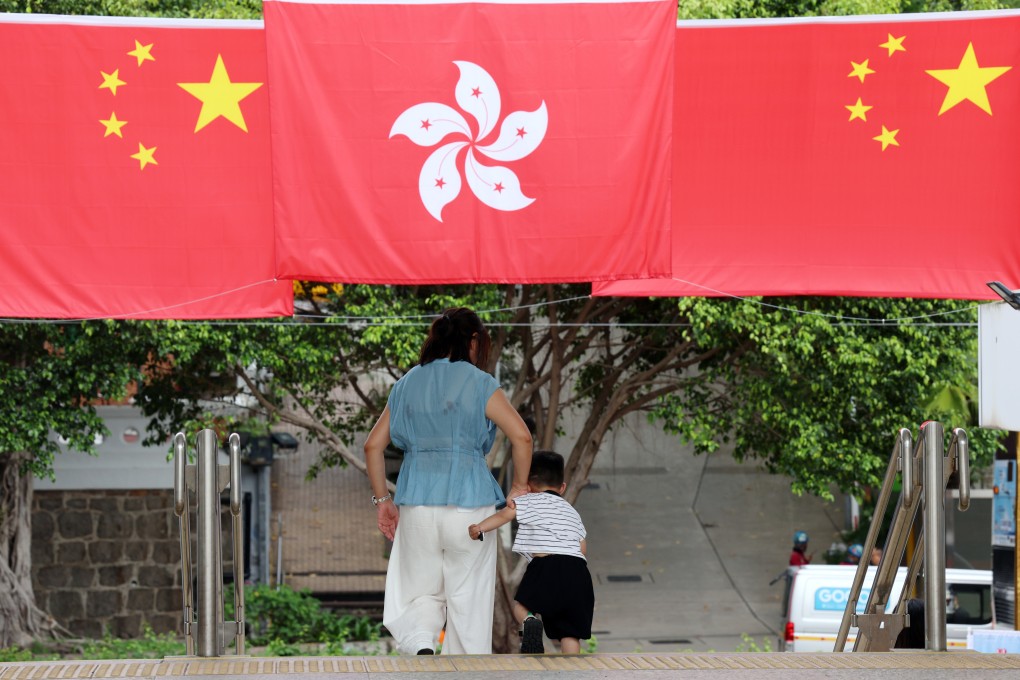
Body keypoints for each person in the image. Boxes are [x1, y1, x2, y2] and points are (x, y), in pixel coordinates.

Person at [364, 307, 533, 655]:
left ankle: (422, 640)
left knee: (421, 590)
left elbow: (372, 446)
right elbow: (522, 437)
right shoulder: (480, 382)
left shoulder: (407, 383)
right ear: (473, 340)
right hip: (472, 509)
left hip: (417, 506)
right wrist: (518, 488)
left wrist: (384, 502)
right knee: (468, 601)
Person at [468, 451, 594, 655]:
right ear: (562, 487)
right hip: (578, 573)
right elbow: (582, 548)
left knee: (522, 606)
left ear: (527, 484)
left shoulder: (527, 501)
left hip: (546, 566)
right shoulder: (571, 511)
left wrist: (479, 528)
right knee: (569, 634)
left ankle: (530, 623)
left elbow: (503, 516)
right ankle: (573, 674)